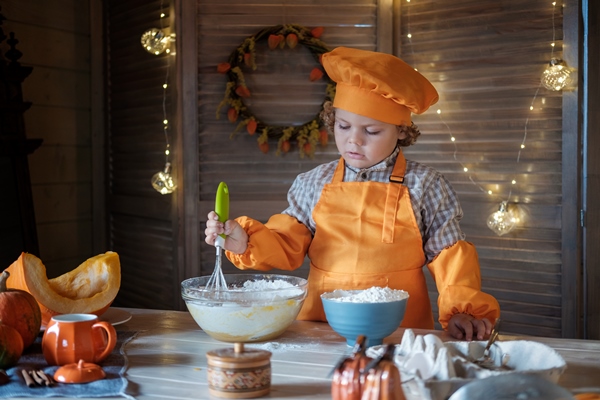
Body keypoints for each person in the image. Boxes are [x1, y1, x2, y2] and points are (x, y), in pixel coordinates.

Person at [205, 46, 500, 341]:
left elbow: (449, 255)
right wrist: (246, 242)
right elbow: (287, 244)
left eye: (371, 131)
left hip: (400, 330)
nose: (353, 141)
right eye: (343, 126)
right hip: (321, 328)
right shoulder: (313, 182)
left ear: (401, 130)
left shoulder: (426, 185)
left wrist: (465, 309)